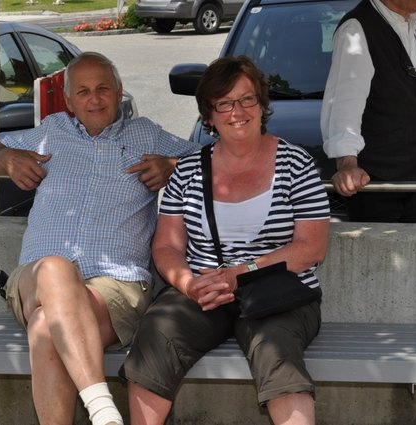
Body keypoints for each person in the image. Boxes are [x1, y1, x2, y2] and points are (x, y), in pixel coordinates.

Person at [0, 51, 196, 425]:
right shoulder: (51, 132)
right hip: (34, 282)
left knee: (44, 327)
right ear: (69, 100)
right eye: (82, 91)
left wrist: (173, 166)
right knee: (55, 268)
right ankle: (102, 408)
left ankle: (100, 410)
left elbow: (212, 158)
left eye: (103, 89)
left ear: (119, 91)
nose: (94, 99)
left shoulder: (146, 135)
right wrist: (7, 158)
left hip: (116, 288)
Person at [120, 55, 330, 425]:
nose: (238, 111)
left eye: (247, 99)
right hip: (203, 289)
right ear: (209, 116)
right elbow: (167, 246)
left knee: (276, 350)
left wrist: (240, 273)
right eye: (225, 103)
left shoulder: (296, 164)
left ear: (262, 106)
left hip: (277, 291)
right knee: (157, 335)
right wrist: (190, 285)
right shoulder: (187, 171)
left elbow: (311, 248)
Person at [320, 0, 416, 223]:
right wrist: (347, 164)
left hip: (414, 176)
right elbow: (344, 103)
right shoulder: (357, 29)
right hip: (374, 182)